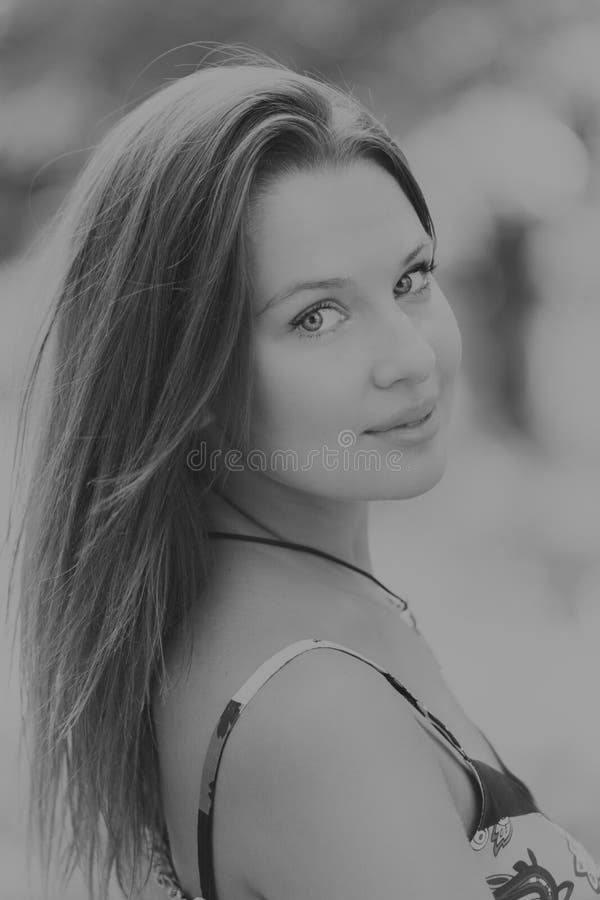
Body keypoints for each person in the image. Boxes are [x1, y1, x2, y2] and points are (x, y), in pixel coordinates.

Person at [11, 47, 600, 900]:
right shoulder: (317, 716)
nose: (408, 356)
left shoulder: (279, 610)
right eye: (317, 316)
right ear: (192, 380)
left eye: (412, 278)